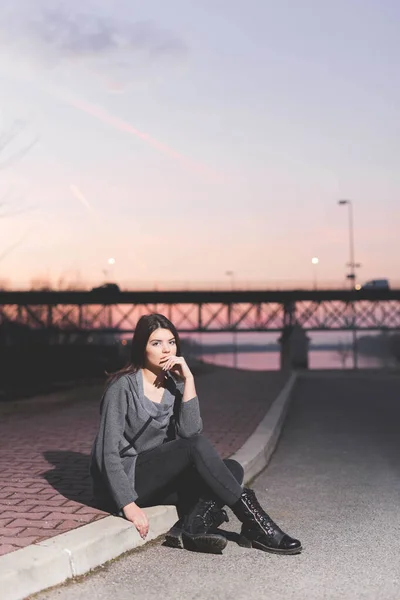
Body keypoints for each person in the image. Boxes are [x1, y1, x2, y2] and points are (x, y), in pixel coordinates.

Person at [90, 313, 302, 555]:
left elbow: (190, 430)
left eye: (171, 342)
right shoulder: (122, 387)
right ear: (141, 348)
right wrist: (128, 506)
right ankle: (257, 523)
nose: (166, 350)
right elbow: (107, 452)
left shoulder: (174, 385)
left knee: (231, 469)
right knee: (196, 448)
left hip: (156, 479)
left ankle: (192, 527)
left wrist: (188, 380)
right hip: (126, 481)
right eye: (156, 343)